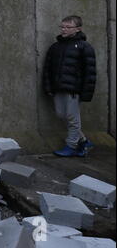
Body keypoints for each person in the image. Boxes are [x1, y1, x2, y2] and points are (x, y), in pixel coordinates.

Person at [43, 15, 97, 157]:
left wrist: (85, 93)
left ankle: (71, 145)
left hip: (73, 90)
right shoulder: (55, 47)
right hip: (58, 88)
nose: (64, 29)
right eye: (62, 26)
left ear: (78, 29)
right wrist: (48, 87)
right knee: (62, 115)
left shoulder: (84, 47)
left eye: (68, 27)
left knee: (72, 118)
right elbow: (47, 68)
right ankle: (84, 141)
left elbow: (90, 72)